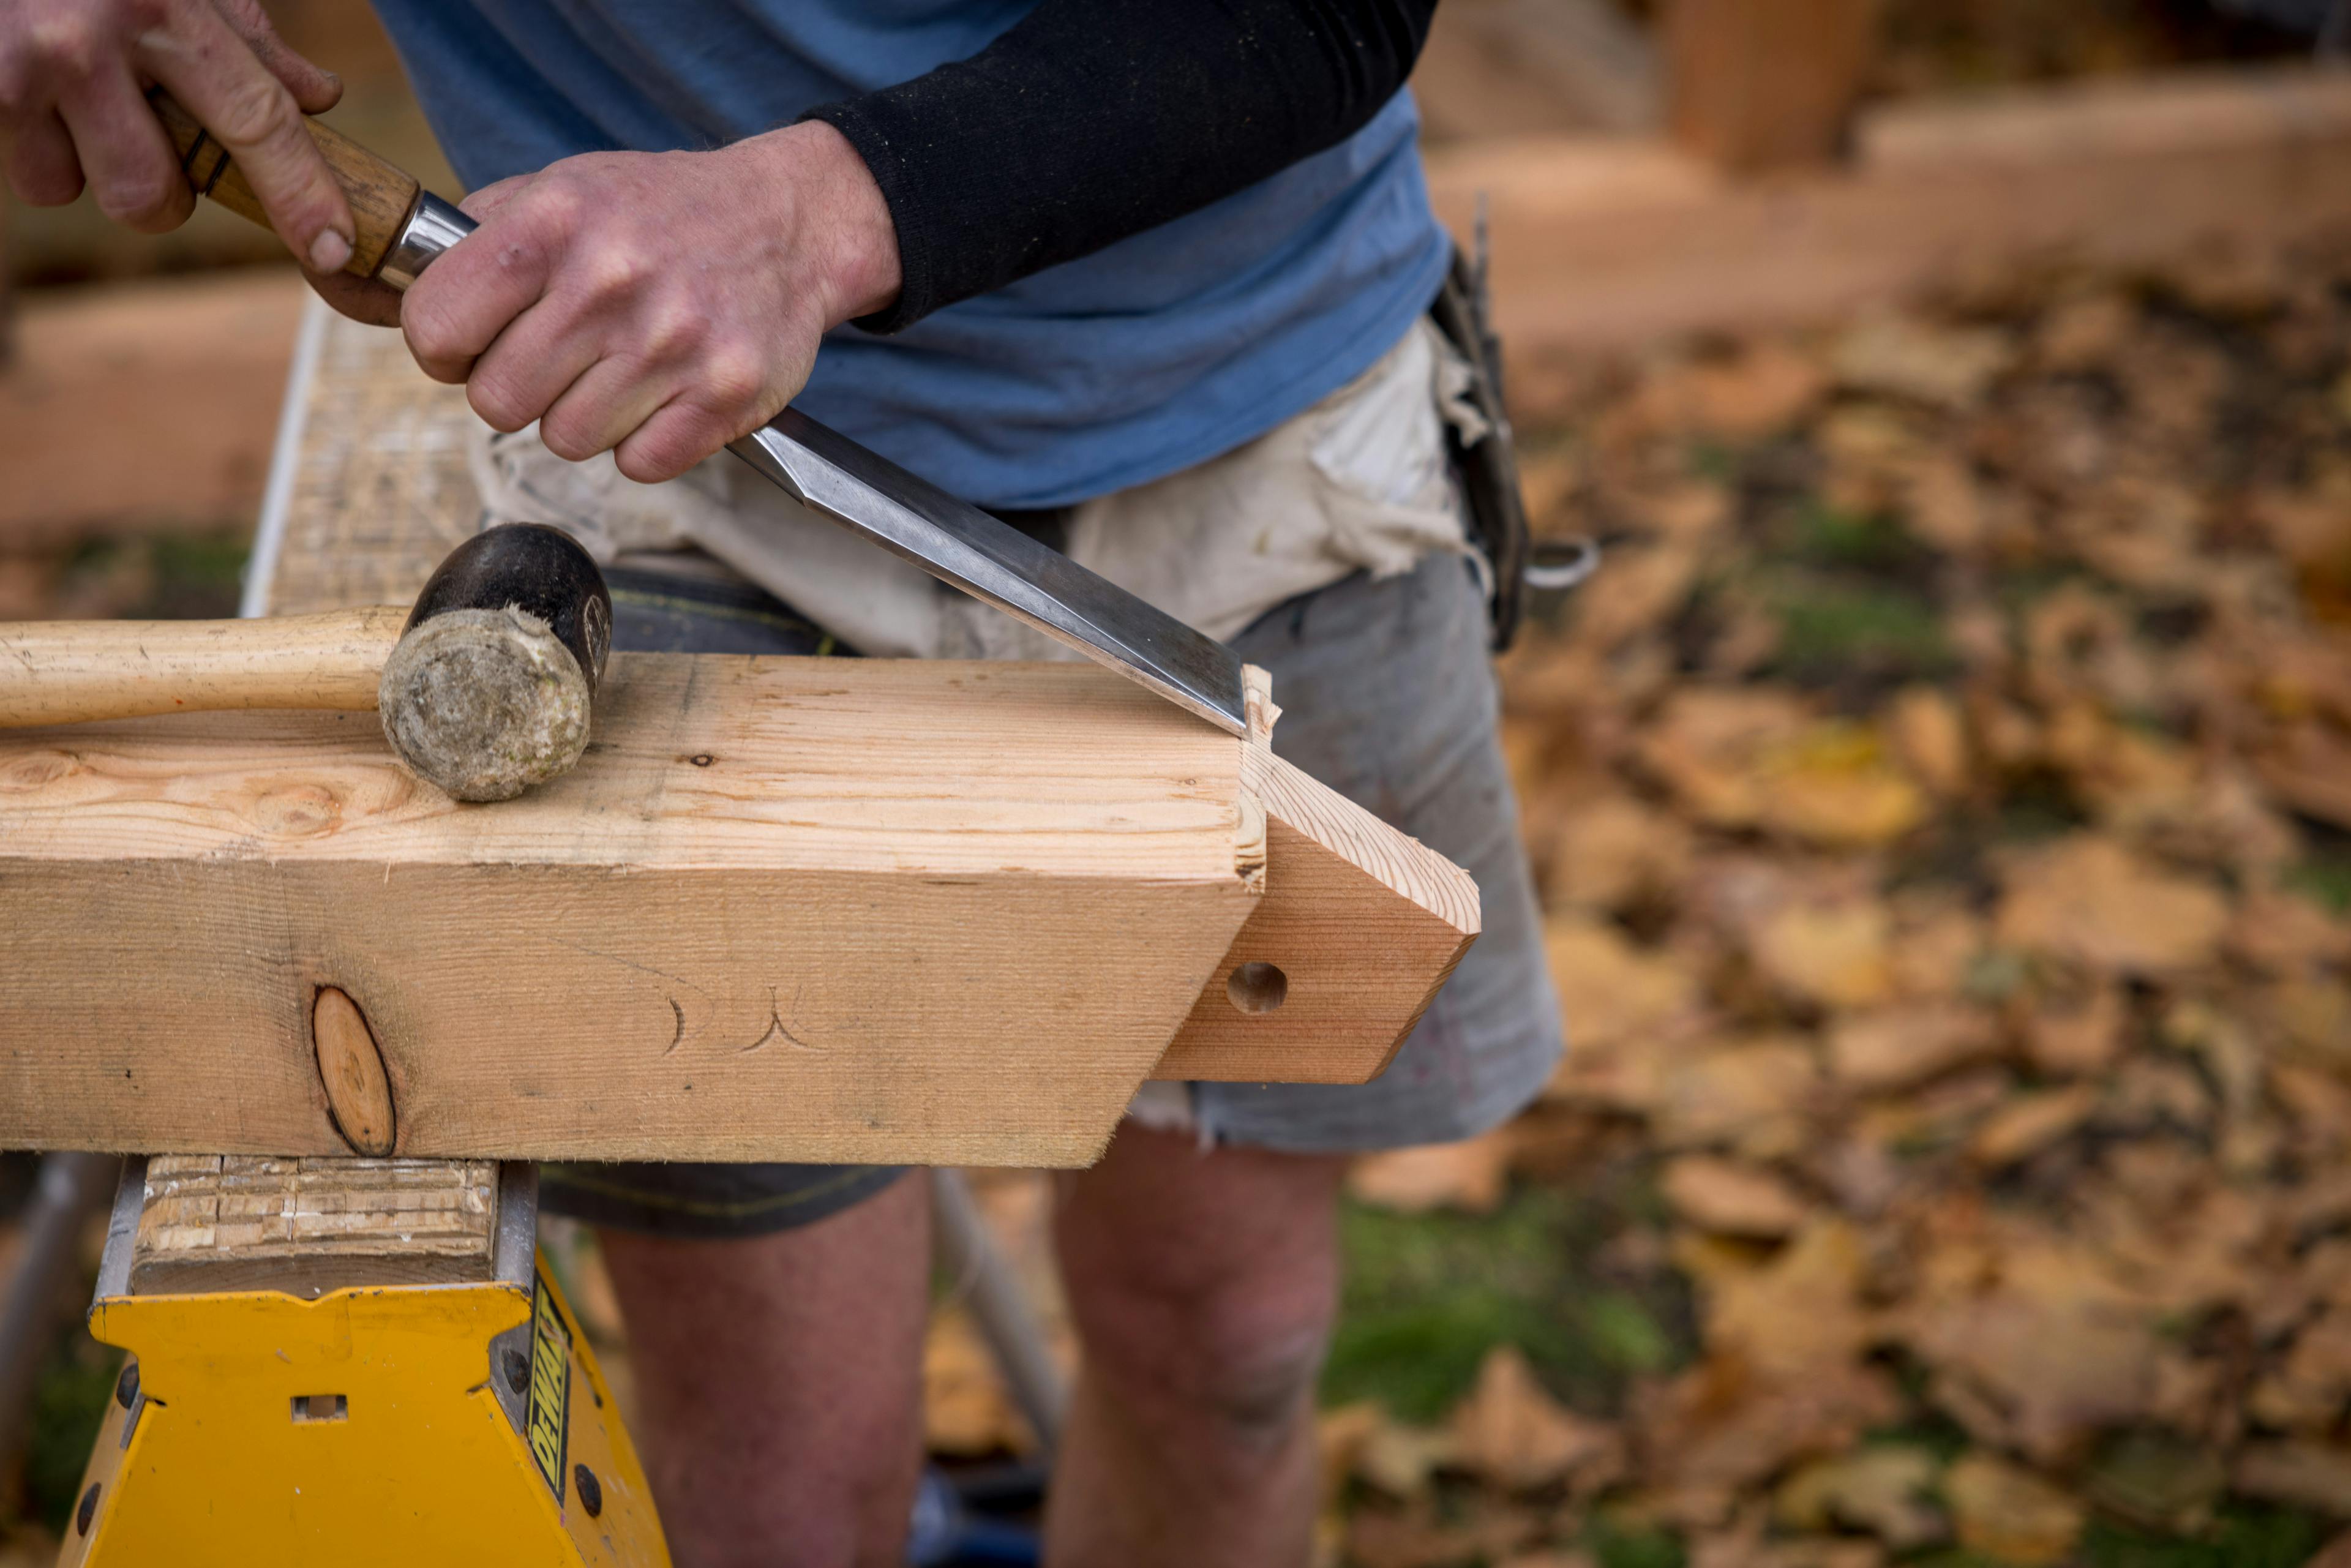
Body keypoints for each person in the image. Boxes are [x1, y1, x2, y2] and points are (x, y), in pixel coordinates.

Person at [0, 3, 1564, 1563]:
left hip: (1267, 441)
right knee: (786, 1478)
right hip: (681, 466)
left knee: (1228, 1346)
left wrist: (816, 212)